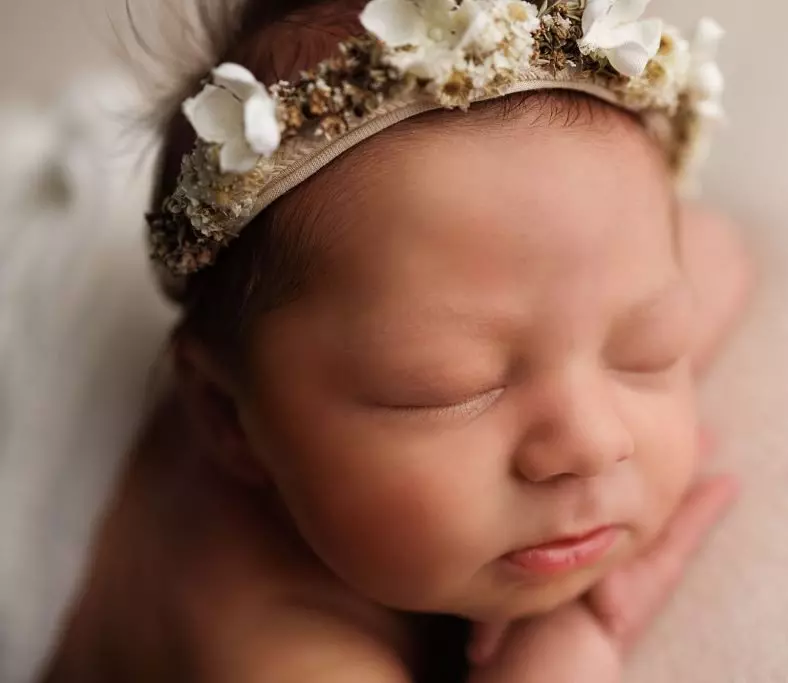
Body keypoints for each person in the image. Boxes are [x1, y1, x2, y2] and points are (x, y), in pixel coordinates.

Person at [43, 0, 752, 680]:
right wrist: (566, 639)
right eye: (449, 387)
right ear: (230, 417)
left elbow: (715, 250)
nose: (591, 443)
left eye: (647, 350)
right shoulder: (268, 630)